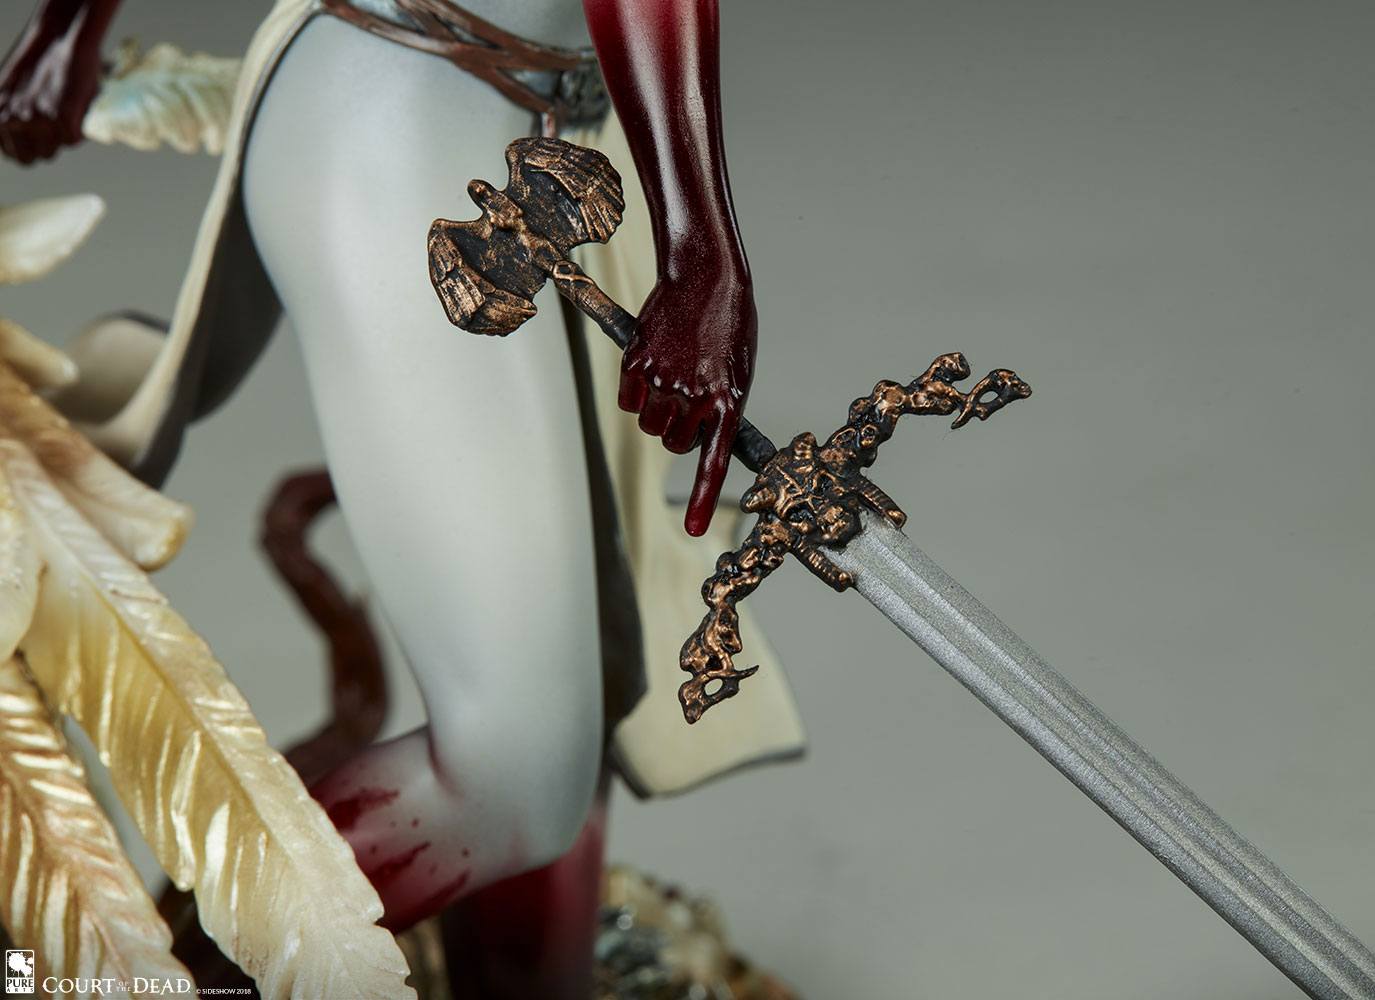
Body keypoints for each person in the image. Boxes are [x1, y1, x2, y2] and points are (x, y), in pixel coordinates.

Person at [0, 1, 806, 995]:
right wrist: (701, 258)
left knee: (583, 686)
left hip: (554, 130)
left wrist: (67, 32)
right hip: (415, 109)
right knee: (511, 777)